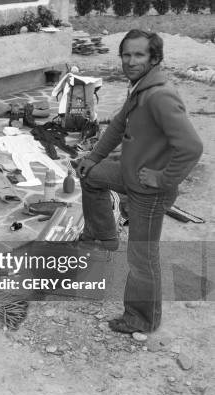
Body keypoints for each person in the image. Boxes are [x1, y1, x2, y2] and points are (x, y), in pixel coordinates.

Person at [75, 29, 203, 334]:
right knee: (89, 176)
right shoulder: (140, 88)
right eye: (126, 54)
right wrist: (92, 158)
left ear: (154, 59)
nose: (130, 61)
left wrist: (162, 178)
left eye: (139, 55)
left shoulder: (160, 96)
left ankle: (142, 317)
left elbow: (192, 147)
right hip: (130, 172)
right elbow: (118, 125)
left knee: (141, 258)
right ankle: (104, 235)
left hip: (149, 189)